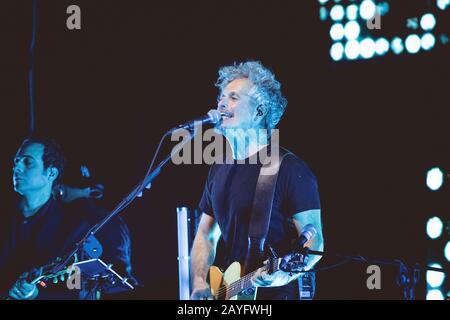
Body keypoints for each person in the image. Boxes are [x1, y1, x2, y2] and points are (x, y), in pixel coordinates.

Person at [190, 61, 324, 300]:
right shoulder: (218, 168)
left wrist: (280, 277)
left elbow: (315, 243)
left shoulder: (289, 168)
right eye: (221, 97)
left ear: (259, 112)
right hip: (233, 293)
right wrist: (199, 282)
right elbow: (205, 234)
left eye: (233, 97)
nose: (221, 103)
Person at [0, 137, 134, 300]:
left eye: (28, 162)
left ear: (51, 173)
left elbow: (70, 289)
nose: (17, 167)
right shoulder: (7, 216)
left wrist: (37, 293)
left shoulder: (73, 226)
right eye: (16, 161)